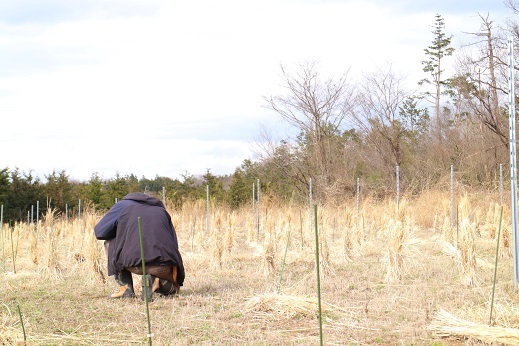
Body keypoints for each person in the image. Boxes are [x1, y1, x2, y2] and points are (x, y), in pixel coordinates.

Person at [94, 192, 185, 300]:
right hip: (162, 266)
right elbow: (173, 244)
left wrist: (122, 231)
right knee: (173, 290)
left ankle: (125, 288)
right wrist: (178, 278)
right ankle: (156, 282)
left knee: (110, 241)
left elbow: (100, 232)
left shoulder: (123, 206)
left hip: (131, 263)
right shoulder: (161, 210)